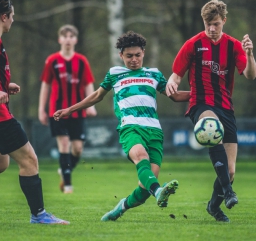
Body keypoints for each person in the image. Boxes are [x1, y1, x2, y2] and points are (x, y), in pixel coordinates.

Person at [53, 30, 190, 221]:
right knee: (141, 157)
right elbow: (96, 96)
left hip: (154, 131)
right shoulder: (115, 73)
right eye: (129, 56)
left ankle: (122, 207)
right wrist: (70, 110)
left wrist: (201, 95)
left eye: (137, 55)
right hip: (130, 127)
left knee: (144, 191)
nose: (134, 59)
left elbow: (174, 95)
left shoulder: (155, 74)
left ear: (143, 52)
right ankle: (159, 191)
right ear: (121, 56)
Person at [166, 0, 256, 222]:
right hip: (201, 105)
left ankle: (214, 207)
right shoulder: (193, 44)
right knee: (210, 127)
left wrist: (250, 55)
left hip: (226, 107)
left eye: (216, 23)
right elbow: (176, 74)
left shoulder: (234, 45)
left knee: (231, 170)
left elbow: (250, 75)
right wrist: (172, 82)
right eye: (208, 24)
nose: (211, 29)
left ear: (224, 21)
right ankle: (229, 193)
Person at [0, 0, 69, 224]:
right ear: (4, 16)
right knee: (29, 159)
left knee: (0, 162)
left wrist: (4, 87)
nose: (14, 20)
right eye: (13, 15)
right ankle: (39, 215)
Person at [38, 24, 97, 194]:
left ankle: (65, 169)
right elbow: (45, 85)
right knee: (64, 144)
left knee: (77, 148)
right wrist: (41, 109)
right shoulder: (52, 60)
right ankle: (68, 187)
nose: (68, 39)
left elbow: (88, 84)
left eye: (71, 36)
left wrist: (91, 106)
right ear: (60, 39)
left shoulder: (82, 61)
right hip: (57, 111)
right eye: (65, 36)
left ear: (76, 40)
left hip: (78, 111)